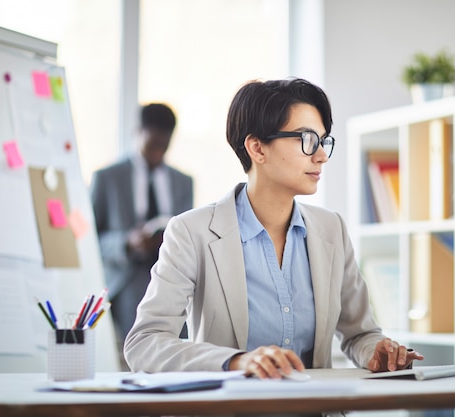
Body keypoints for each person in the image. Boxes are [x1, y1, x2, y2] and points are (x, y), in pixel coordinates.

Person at [124, 79, 423, 378]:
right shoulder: (192, 232)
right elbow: (145, 343)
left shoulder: (331, 229)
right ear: (257, 148)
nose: (321, 155)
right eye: (307, 140)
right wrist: (236, 362)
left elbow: (359, 334)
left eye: (323, 141)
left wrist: (377, 352)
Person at [90, 103, 194, 345]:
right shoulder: (108, 178)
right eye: (153, 144)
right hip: (128, 276)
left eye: (164, 145)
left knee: (182, 341)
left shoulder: (183, 181)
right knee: (143, 343)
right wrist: (127, 243)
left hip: (172, 271)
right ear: (138, 132)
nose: (158, 151)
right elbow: (89, 240)